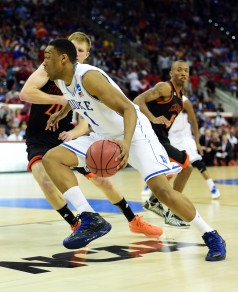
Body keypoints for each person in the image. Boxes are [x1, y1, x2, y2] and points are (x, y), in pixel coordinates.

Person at [42, 38, 226, 261]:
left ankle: (211, 235)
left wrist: (127, 144)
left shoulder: (89, 76)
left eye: (47, 58)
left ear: (63, 59)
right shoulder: (63, 79)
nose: (43, 64)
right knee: (53, 158)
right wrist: (61, 113)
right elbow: (76, 97)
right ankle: (90, 217)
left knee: (162, 192)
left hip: (135, 132)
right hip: (103, 135)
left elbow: (129, 108)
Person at [19, 32, 163, 248]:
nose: (74, 52)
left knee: (101, 178)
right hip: (39, 134)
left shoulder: (85, 78)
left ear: (85, 55)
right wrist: (61, 99)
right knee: (45, 179)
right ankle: (77, 224)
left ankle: (133, 220)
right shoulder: (48, 69)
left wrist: (75, 133)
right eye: (71, 47)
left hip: (65, 132)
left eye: (79, 50)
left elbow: (88, 120)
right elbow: (26, 93)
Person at [134, 61, 193, 228]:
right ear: (171, 73)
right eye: (179, 70)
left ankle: (154, 201)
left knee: (170, 170)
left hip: (162, 138)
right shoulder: (165, 88)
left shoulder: (181, 98)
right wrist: (152, 119)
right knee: (186, 166)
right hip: (151, 137)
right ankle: (174, 211)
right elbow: (138, 100)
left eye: (186, 71)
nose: (183, 73)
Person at [168, 95, 220, 199]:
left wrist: (197, 142)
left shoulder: (184, 100)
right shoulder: (161, 99)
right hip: (171, 136)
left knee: (195, 161)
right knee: (170, 165)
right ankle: (152, 187)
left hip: (184, 135)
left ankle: (213, 187)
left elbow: (194, 122)